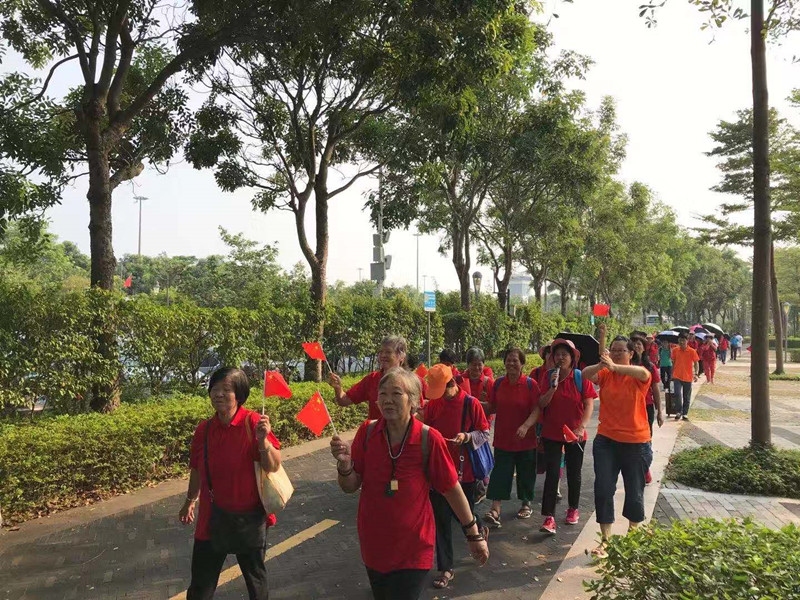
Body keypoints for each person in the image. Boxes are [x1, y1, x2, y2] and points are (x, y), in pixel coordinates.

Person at [330, 367, 488, 600]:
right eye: (383, 394)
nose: (387, 400)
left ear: (414, 401)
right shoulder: (367, 432)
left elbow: (451, 489)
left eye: (396, 393)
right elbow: (350, 485)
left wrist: (473, 534)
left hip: (414, 548)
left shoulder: (428, 438)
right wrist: (345, 466)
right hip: (374, 545)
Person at [179, 367, 282, 600]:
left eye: (226, 389)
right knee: (200, 587)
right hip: (212, 518)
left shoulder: (252, 422)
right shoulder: (204, 430)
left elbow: (273, 466)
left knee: (256, 583)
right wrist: (189, 501)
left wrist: (263, 442)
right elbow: (197, 469)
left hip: (249, 517)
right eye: (214, 389)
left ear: (239, 394)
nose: (218, 394)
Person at [582, 330, 652, 558]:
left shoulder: (638, 374)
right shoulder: (606, 374)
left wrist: (614, 366)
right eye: (613, 350)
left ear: (631, 354)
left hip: (636, 442)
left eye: (621, 350)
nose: (617, 353)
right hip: (607, 441)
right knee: (603, 488)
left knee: (634, 491)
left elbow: (644, 373)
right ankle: (605, 540)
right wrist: (601, 364)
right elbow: (585, 375)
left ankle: (632, 536)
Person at [424, 364, 491, 589]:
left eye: (441, 390)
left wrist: (466, 436)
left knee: (463, 514)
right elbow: (426, 430)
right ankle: (445, 568)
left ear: (451, 383)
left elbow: (484, 432)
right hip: (438, 471)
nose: (438, 396)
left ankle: (478, 528)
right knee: (441, 520)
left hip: (464, 473)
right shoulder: (434, 404)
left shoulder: (471, 404)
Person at [521, 339, 596, 534]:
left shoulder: (580, 377)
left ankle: (573, 508)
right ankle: (549, 517)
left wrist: (581, 427)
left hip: (575, 434)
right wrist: (552, 388)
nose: (560, 358)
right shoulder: (548, 377)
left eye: (565, 354)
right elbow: (541, 404)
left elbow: (589, 404)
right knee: (552, 474)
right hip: (552, 433)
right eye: (557, 355)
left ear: (572, 358)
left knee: (574, 473)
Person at [482, 348, 541, 527]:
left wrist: (526, 426)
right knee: (500, 473)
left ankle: (525, 503)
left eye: (515, 360)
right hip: (503, 439)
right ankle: (495, 508)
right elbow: (492, 407)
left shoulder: (530, 384)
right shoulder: (499, 383)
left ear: (522, 364)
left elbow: (537, 409)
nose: (511, 363)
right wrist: (472, 403)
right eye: (508, 360)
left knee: (526, 473)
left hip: (526, 439)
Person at [328, 335, 426, 420]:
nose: (383, 355)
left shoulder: (414, 381)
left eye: (388, 352)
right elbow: (344, 400)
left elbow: (423, 413)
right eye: (381, 352)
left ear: (401, 356)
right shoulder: (372, 379)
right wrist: (338, 388)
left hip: (405, 435)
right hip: (377, 435)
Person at [455, 347, 495, 504]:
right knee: (466, 459)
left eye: (479, 364)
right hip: (463, 426)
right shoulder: (459, 380)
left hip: (481, 426)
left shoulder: (488, 382)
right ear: (468, 365)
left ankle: (479, 488)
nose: (476, 368)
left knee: (478, 457)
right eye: (473, 364)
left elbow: (494, 407)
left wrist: (479, 404)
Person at [632, 335, 665, 485]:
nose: (636, 346)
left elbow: (655, 389)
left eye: (639, 344)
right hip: (630, 407)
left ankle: (645, 470)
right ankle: (638, 469)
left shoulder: (650, 367)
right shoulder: (626, 365)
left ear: (644, 347)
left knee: (645, 439)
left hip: (647, 406)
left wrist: (660, 412)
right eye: (633, 344)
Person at [671, 332, 700, 421]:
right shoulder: (675, 350)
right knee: (677, 394)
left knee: (686, 396)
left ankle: (685, 413)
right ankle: (678, 411)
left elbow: (696, 363)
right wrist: (672, 373)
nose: (681, 342)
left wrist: (696, 374)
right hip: (677, 376)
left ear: (687, 341)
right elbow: (673, 362)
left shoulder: (692, 351)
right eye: (680, 340)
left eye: (683, 340)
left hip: (688, 377)